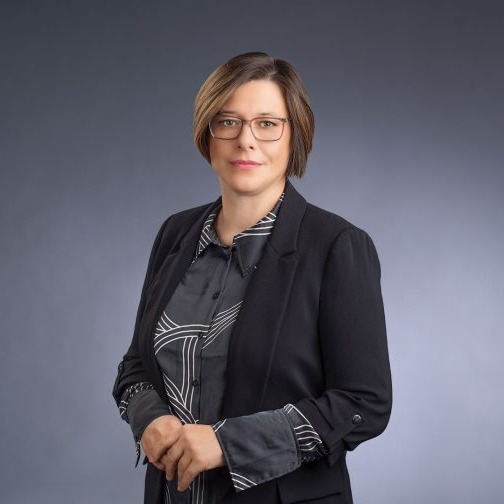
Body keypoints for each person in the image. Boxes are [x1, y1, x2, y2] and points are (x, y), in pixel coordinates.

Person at [113, 52, 392, 504]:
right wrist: (149, 419)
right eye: (228, 122)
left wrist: (226, 443)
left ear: (294, 135)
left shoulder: (337, 246)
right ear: (207, 134)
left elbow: (364, 402)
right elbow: (136, 365)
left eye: (267, 124)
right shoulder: (174, 234)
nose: (246, 140)